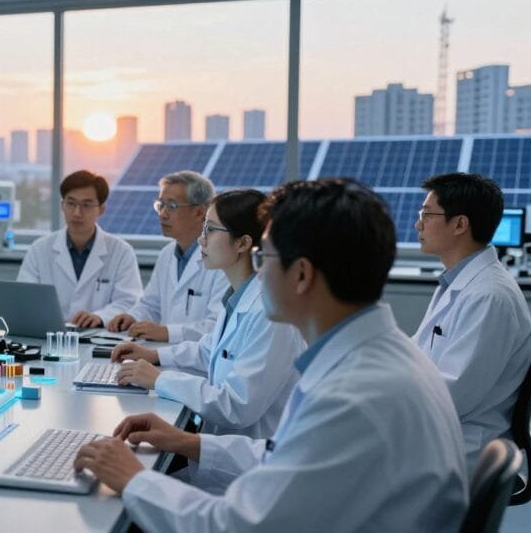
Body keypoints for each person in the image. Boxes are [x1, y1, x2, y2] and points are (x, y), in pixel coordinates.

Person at [75, 179, 468, 533]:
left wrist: (133, 477)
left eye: (267, 259)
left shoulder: (354, 395)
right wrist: (188, 443)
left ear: (301, 274)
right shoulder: (374, 357)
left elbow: (238, 526)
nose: (260, 274)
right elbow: (285, 456)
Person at [111, 189, 305, 438]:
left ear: (243, 243)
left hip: (245, 464)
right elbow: (210, 351)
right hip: (218, 449)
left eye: (211, 230)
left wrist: (160, 379)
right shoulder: (240, 298)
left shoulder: (270, 315)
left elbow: (237, 405)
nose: (201, 240)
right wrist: (154, 355)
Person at [413, 172, 531, 472]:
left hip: (462, 448)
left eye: (427, 214)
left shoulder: (489, 296)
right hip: (441, 432)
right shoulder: (459, 282)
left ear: (460, 224)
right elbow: (416, 355)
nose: (418, 224)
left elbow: (454, 395)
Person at [106, 171, 228, 342]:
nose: (162, 214)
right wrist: (132, 317)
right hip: (164, 355)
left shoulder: (222, 259)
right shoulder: (167, 254)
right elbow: (151, 304)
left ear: (200, 212)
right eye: (160, 205)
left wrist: (167, 332)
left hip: (199, 364)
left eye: (171, 206)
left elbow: (218, 325)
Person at [18, 170, 142, 328]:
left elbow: (130, 301)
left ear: (101, 209)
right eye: (71, 203)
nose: (77, 212)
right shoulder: (39, 249)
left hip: (101, 337)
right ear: (62, 205)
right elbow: (25, 300)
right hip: (51, 337)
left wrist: (100, 316)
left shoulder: (121, 252)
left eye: (86, 205)